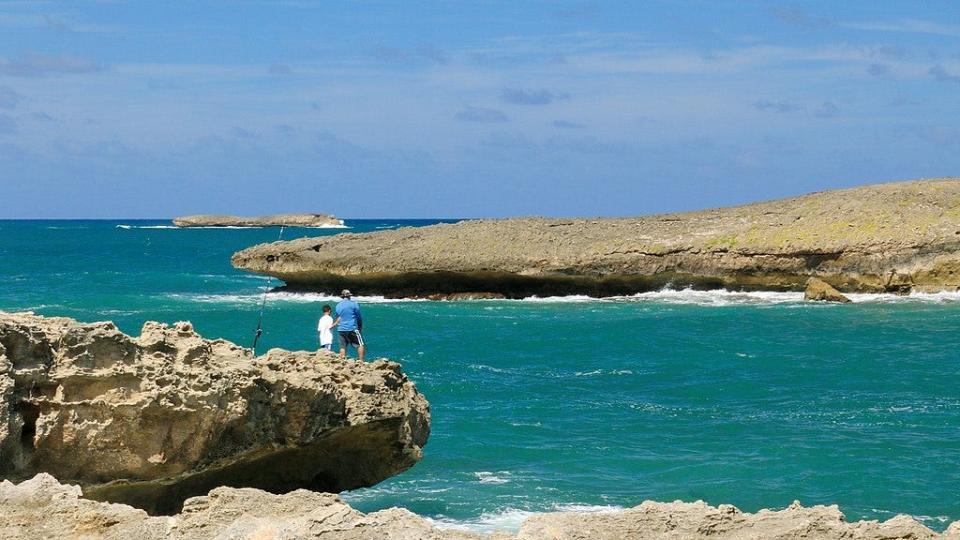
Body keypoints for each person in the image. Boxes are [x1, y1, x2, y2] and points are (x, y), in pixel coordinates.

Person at [332, 289, 365, 361]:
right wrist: (360, 327)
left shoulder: (338, 306)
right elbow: (358, 317)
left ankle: (343, 361)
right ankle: (361, 361)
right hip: (351, 328)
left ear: (342, 297)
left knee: (342, 347)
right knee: (360, 345)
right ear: (349, 296)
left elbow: (338, 318)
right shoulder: (354, 304)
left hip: (341, 329)